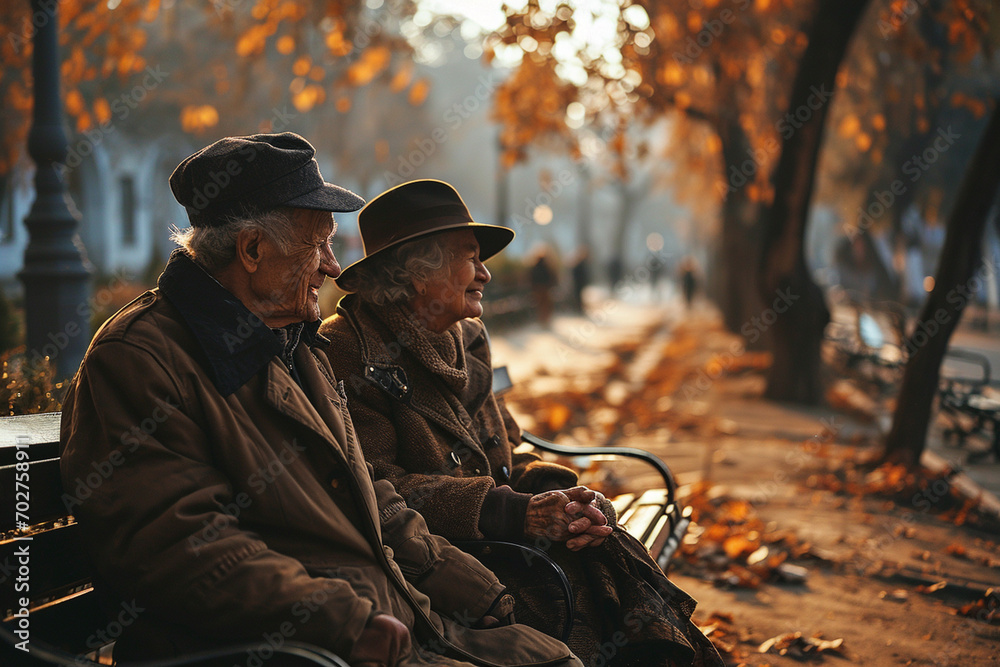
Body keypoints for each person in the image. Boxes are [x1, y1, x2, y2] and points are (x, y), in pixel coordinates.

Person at [59, 135, 581, 667]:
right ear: (253, 250)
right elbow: (177, 546)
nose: (333, 267)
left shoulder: (292, 343)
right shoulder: (139, 359)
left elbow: (366, 493)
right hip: (292, 650)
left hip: (394, 620)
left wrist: (452, 574)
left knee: (560, 654)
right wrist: (340, 621)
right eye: (320, 244)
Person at [320, 179, 724, 667]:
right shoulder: (347, 348)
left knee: (602, 545)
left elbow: (509, 454)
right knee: (594, 588)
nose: (485, 274)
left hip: (501, 537)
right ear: (415, 272)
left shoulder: (466, 336)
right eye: (470, 258)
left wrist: (564, 497)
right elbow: (376, 487)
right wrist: (513, 512)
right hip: (446, 564)